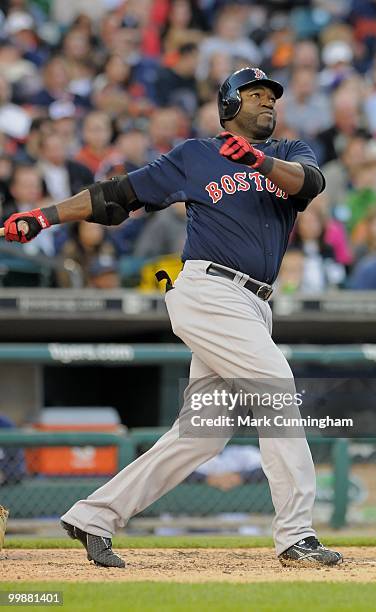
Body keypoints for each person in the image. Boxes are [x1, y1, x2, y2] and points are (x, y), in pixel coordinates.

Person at [1, 67, 342, 569]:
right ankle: (296, 534)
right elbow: (117, 196)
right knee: (274, 385)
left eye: (271, 96)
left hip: (253, 303)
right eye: (255, 95)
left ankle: (93, 515)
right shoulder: (195, 156)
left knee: (201, 435)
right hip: (209, 290)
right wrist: (45, 216)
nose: (267, 102)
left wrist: (260, 162)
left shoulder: (289, 153)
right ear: (229, 105)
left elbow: (310, 183)